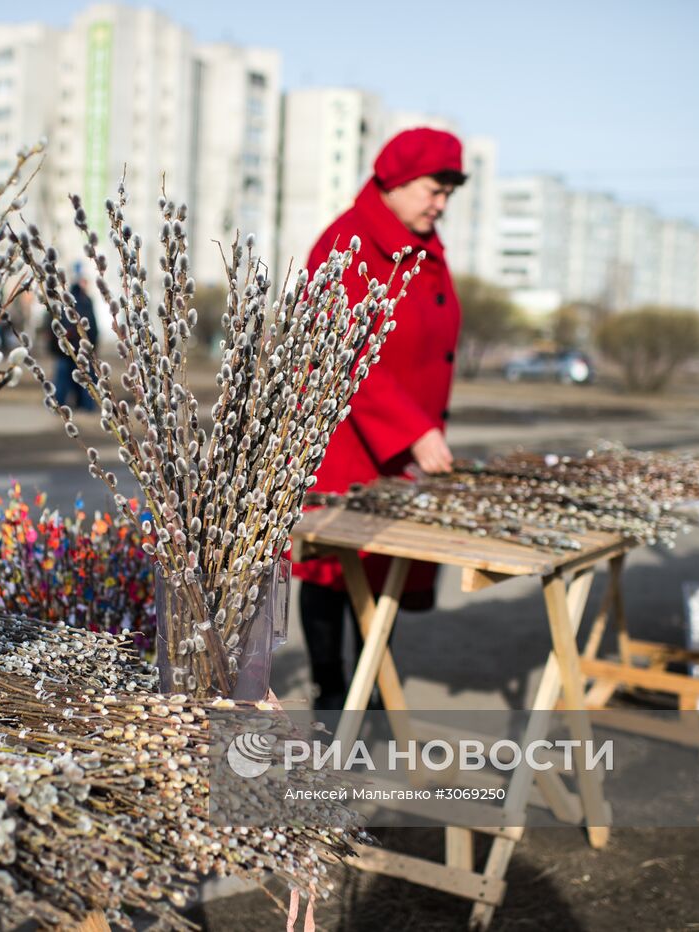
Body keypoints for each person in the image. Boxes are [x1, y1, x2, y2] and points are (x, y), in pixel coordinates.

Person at [292, 127, 468, 710]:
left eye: (449, 192)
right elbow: (344, 349)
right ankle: (331, 690)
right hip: (346, 436)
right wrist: (413, 429)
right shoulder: (346, 242)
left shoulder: (425, 244)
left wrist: (418, 429)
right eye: (433, 189)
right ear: (394, 181)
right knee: (333, 566)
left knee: (386, 566)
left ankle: (369, 689)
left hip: (402, 440)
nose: (440, 203)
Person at [50, 268, 100, 411]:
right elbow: (93, 328)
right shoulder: (84, 303)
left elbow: (55, 328)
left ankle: (61, 405)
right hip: (76, 351)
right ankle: (86, 406)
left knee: (68, 380)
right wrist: (91, 347)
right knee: (83, 380)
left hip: (68, 351)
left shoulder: (69, 304)